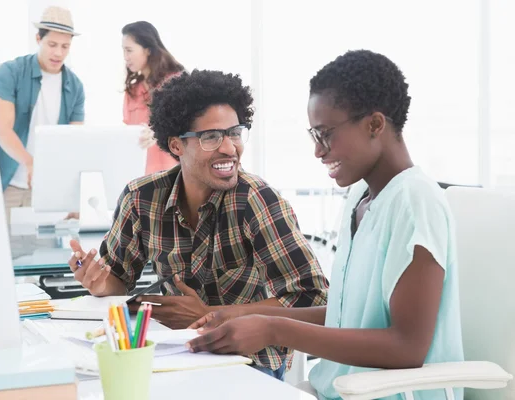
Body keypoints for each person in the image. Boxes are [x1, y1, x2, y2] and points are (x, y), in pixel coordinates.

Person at [186, 50, 464, 400]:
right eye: (313, 135)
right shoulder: (361, 197)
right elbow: (344, 316)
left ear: (375, 125)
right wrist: (238, 315)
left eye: (326, 134)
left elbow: (406, 347)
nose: (318, 151)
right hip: (336, 391)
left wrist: (273, 329)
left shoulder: (415, 202)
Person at [68, 70, 329, 380]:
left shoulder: (255, 200)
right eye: (211, 137)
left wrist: (213, 316)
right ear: (177, 145)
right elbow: (119, 281)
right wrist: (99, 283)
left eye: (234, 132)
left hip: (247, 363)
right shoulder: (141, 199)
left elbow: (312, 298)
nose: (230, 148)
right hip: (173, 353)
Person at [0, 6, 85, 222]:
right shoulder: (9, 73)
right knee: (6, 253)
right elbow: (2, 129)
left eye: (65, 46)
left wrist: (73, 197)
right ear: (38, 39)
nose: (59, 53)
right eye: (52, 45)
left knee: (48, 252)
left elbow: (74, 143)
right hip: (9, 186)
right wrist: (30, 162)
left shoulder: (75, 86)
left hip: (49, 191)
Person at [121, 21, 184, 175]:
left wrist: (159, 132)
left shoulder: (176, 82)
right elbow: (128, 137)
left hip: (175, 175)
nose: (125, 57)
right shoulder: (132, 91)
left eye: (129, 50)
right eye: (123, 51)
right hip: (141, 177)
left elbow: (191, 129)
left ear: (148, 50)